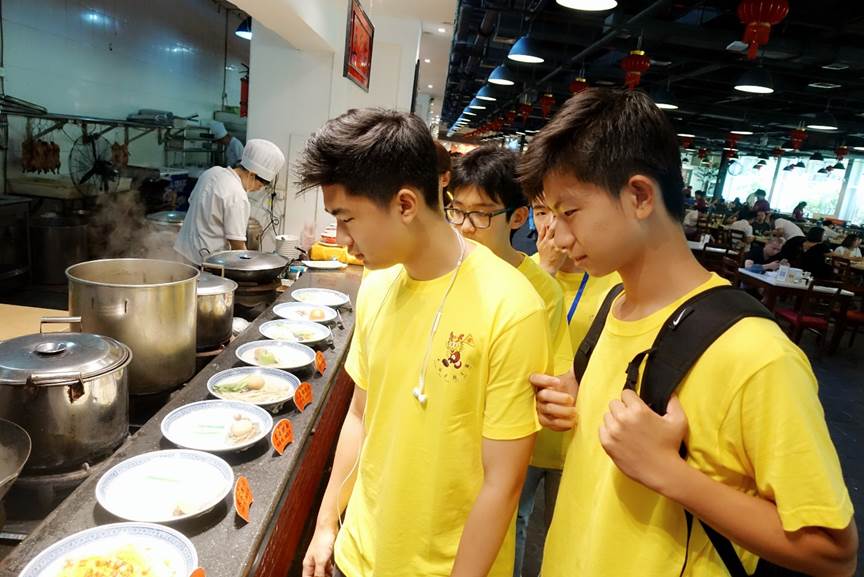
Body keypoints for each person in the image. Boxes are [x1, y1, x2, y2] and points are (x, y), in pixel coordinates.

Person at [517, 88, 857, 577]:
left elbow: (833, 551)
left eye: (569, 212)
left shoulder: (755, 354)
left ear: (639, 196)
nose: (558, 237)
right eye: (548, 214)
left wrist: (669, 473)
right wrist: (575, 396)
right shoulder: (615, 307)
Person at [297, 109, 550, 577]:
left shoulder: (513, 308)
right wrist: (328, 521)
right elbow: (360, 415)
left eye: (347, 218)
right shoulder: (377, 284)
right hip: (359, 555)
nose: (343, 239)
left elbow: (504, 483)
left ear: (406, 205)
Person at [447, 147, 572, 577]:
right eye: (457, 211)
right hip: (446, 447)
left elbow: (549, 381)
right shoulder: (444, 272)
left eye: (482, 215)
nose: (465, 226)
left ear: (517, 218)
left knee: (505, 526)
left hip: (498, 451)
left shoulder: (538, 291)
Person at [174, 139, 285, 265]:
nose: (257, 189)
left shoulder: (211, 172)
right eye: (260, 185)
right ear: (252, 175)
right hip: (203, 262)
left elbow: (192, 202)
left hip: (182, 252)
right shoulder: (237, 195)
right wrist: (250, 265)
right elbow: (237, 245)